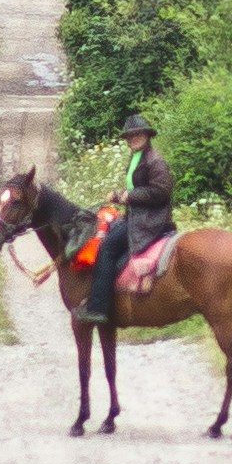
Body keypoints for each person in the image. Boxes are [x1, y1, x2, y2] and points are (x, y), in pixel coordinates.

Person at [82, 112, 175, 323]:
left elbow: (162, 191)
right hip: (137, 215)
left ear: (147, 135)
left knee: (107, 247)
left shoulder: (155, 161)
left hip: (151, 220)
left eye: (138, 134)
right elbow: (138, 189)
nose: (134, 138)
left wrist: (130, 196)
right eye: (130, 136)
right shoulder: (137, 157)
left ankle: (98, 308)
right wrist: (118, 195)